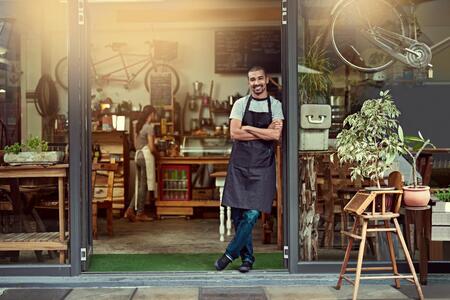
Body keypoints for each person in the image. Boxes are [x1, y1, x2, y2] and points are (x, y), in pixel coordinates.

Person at [214, 66, 284, 273]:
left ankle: (229, 254)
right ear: (249, 82)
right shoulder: (240, 104)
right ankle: (247, 259)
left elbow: (275, 136)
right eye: (252, 80)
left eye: (260, 78)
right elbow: (235, 134)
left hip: (263, 167)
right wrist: (264, 132)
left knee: (252, 214)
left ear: (267, 79)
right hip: (240, 165)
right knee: (237, 216)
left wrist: (250, 128)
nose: (256, 83)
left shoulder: (276, 105)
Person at [124, 105, 158, 222]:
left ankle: (130, 209)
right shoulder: (149, 127)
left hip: (137, 156)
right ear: (151, 114)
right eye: (155, 114)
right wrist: (159, 156)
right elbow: (152, 148)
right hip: (145, 157)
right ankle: (140, 213)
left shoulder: (137, 126)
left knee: (139, 186)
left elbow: (135, 145)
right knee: (144, 186)